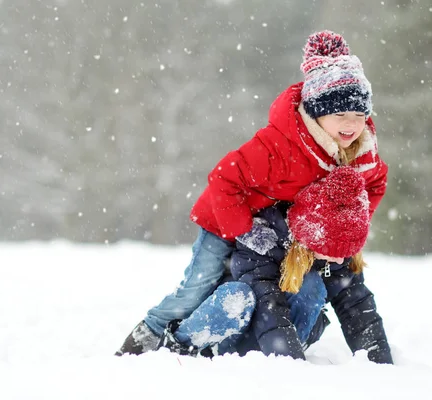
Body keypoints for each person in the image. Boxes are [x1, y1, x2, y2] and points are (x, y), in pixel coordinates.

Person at [115, 30, 388, 356]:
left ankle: (230, 337)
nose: (351, 124)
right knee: (196, 288)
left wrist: (347, 227)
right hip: (224, 216)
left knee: (273, 286)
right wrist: (245, 228)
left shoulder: (356, 152)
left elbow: (374, 185)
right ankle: (150, 333)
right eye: (340, 114)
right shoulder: (280, 145)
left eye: (359, 115)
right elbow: (223, 180)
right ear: (316, 113)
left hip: (273, 226)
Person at [156, 167, 393, 364]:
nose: (340, 260)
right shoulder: (264, 240)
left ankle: (275, 359)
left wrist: (381, 364)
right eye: (335, 251)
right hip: (238, 329)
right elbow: (268, 306)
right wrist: (288, 367)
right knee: (237, 296)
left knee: (311, 286)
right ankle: (180, 348)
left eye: (347, 252)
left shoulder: (336, 252)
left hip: (283, 340)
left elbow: (357, 306)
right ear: (311, 237)